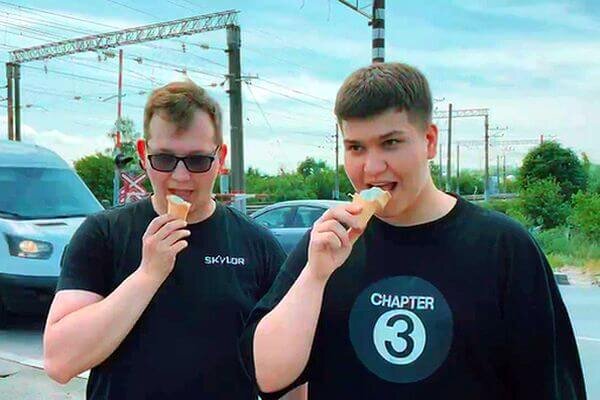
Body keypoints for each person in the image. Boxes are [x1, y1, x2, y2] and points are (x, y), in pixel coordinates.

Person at [240, 62, 587, 399]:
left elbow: (549, 384)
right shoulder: (329, 244)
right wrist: (315, 276)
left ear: (429, 141)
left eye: (391, 143)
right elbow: (268, 377)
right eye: (356, 147)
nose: (372, 168)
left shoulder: (504, 247)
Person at [43, 80, 304, 399]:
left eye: (198, 161)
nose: (181, 177)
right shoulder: (103, 234)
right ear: (143, 154)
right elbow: (60, 361)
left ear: (220, 157)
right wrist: (147, 275)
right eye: (165, 159)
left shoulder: (258, 245)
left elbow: (289, 378)